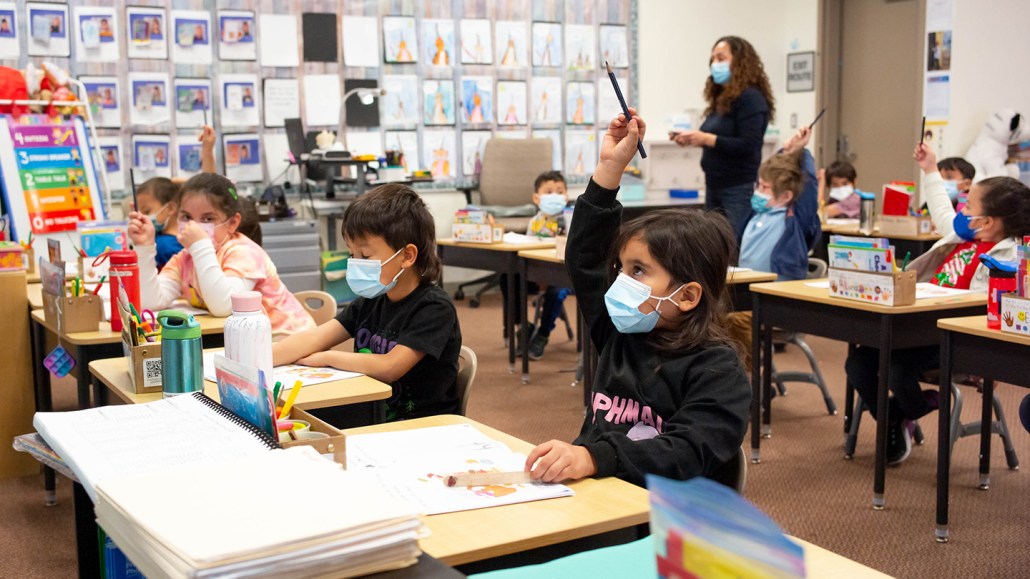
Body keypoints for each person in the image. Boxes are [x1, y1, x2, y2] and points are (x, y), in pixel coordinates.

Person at [525, 108, 751, 487]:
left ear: (688, 295)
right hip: (603, 498)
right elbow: (585, 258)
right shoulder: (621, 332)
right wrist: (610, 167)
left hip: (669, 523)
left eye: (638, 271)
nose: (620, 282)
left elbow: (686, 451)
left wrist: (594, 456)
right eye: (622, 268)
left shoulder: (718, 370)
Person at [845, 142, 1030, 466]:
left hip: (948, 336)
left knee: (896, 368)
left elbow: (993, 307)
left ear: (987, 221)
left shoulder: (1011, 258)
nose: (962, 210)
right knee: (857, 363)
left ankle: (903, 414)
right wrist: (930, 168)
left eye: (969, 205)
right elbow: (943, 209)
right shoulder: (965, 236)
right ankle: (899, 414)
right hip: (916, 324)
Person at [272, 184, 462, 422]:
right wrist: (262, 358)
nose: (355, 263)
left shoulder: (434, 308)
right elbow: (315, 337)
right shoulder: (370, 302)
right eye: (352, 255)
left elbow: (390, 366)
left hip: (418, 426)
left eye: (365, 256)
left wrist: (327, 358)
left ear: (407, 256)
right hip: (371, 411)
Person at [130, 173, 315, 338]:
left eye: (208, 219)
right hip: (246, 347)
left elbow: (224, 305)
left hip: (289, 341)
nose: (194, 227)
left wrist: (200, 244)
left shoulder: (243, 251)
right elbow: (150, 302)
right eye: (186, 217)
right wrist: (145, 247)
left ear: (233, 223)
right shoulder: (184, 258)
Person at [670, 36, 775, 244]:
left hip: (738, 187)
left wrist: (706, 138)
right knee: (713, 248)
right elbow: (719, 140)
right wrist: (692, 139)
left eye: (721, 58)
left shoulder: (751, 98)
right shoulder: (722, 99)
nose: (715, 64)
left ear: (740, 61)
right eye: (713, 60)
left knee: (731, 249)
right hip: (714, 184)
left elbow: (749, 144)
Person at [740, 126, 820, 280]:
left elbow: (808, 186)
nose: (758, 191)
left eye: (764, 187)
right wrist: (786, 152)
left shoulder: (794, 219)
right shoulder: (757, 214)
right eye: (758, 185)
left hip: (778, 292)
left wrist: (800, 150)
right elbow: (770, 169)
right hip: (749, 289)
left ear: (786, 196)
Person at [525, 170, 572, 359]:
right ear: (537, 198)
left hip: (564, 274)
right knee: (508, 278)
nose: (555, 196)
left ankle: (543, 334)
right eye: (549, 191)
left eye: (560, 192)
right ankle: (521, 328)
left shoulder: (571, 218)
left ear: (566, 196)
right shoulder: (535, 222)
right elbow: (527, 247)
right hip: (538, 271)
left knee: (556, 292)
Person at [134, 177, 182, 269]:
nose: (140, 217)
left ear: (171, 208)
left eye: (147, 212)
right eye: (138, 212)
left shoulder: (164, 246)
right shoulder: (158, 240)